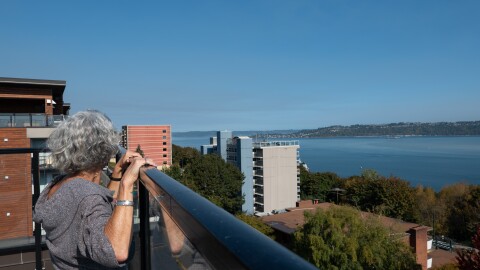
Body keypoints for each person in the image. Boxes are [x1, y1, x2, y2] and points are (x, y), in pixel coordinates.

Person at [33, 110, 156, 269]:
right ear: (103, 150)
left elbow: (99, 208)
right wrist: (127, 184)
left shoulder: (59, 184)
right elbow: (117, 251)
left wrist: (117, 173)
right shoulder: (86, 195)